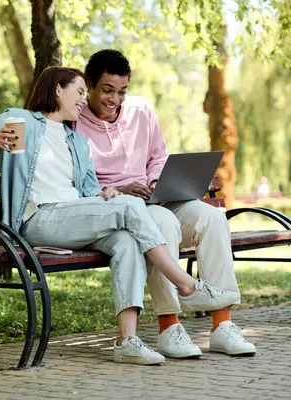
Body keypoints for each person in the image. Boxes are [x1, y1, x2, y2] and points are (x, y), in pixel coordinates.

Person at [0, 66, 240, 365]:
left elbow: (89, 190)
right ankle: (186, 285)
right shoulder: (21, 120)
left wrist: (109, 193)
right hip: (37, 219)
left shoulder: (76, 141)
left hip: (72, 216)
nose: (82, 100)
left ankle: (126, 340)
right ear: (57, 91)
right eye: (78, 92)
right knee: (131, 207)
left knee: (126, 241)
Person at [75, 49, 256, 359]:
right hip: (118, 210)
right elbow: (78, 181)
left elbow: (158, 156)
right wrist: (118, 188)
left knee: (212, 217)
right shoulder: (74, 121)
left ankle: (222, 325)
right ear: (89, 85)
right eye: (107, 90)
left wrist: (157, 182)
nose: (115, 99)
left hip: (155, 197)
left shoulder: (141, 110)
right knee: (161, 223)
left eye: (122, 91)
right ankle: (169, 327)